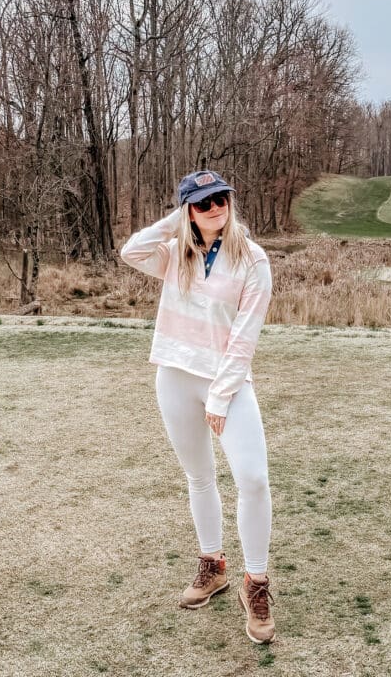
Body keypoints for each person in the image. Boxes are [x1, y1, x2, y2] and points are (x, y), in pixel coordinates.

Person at [120, 169, 276, 644]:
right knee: (199, 476)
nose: (216, 208)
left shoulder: (253, 259)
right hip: (173, 373)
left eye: (221, 198)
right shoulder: (175, 254)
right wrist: (175, 222)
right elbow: (131, 252)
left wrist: (220, 395)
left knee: (252, 478)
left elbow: (245, 337)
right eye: (203, 202)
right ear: (188, 210)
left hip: (225, 382)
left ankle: (257, 582)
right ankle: (213, 565)